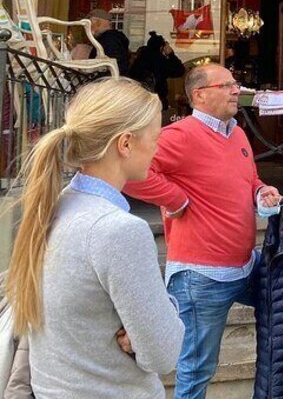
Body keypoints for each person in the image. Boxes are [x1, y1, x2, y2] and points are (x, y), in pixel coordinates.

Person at [5, 78, 184, 398]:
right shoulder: (118, 230)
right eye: (155, 138)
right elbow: (164, 353)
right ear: (125, 143)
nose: (157, 148)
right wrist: (165, 309)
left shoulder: (54, 206)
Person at [123, 63, 283, 399]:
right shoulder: (179, 135)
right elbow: (131, 171)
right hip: (202, 276)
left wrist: (260, 193)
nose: (236, 89)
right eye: (226, 85)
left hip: (244, 264)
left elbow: (247, 179)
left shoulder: (237, 133)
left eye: (235, 84)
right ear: (200, 95)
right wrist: (175, 198)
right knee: (197, 370)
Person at [129, 31, 186, 109]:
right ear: (161, 48)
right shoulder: (160, 61)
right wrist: (171, 54)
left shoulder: (139, 60)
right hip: (157, 100)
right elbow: (179, 70)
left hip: (138, 98)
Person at [86, 8, 130, 75]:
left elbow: (115, 63)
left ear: (96, 21)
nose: (88, 27)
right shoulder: (111, 37)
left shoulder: (109, 39)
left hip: (108, 81)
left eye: (90, 23)